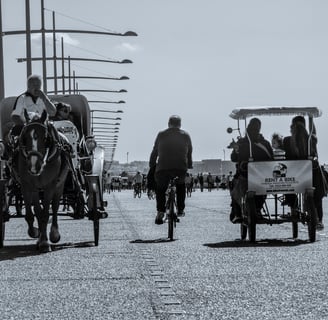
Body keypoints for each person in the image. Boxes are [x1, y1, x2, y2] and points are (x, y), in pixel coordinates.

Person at [283, 116, 326, 229]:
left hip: (293, 175)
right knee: (317, 192)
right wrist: (311, 119)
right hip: (312, 174)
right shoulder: (312, 138)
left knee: (285, 184)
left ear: (292, 126)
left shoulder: (287, 140)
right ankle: (319, 219)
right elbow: (313, 131)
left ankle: (294, 206)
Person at [149, 115, 193, 225]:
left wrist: (152, 165)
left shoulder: (161, 134)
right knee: (180, 186)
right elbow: (189, 151)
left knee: (161, 189)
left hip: (163, 167)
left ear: (169, 123)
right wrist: (189, 165)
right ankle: (181, 209)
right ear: (180, 124)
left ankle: (160, 212)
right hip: (180, 168)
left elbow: (155, 151)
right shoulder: (186, 135)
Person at [230, 117, 273, 223]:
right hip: (262, 177)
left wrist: (236, 149)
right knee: (263, 189)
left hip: (245, 176)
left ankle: (236, 212)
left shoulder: (241, 142)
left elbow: (233, 158)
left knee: (233, 185)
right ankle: (257, 209)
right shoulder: (265, 143)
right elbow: (271, 159)